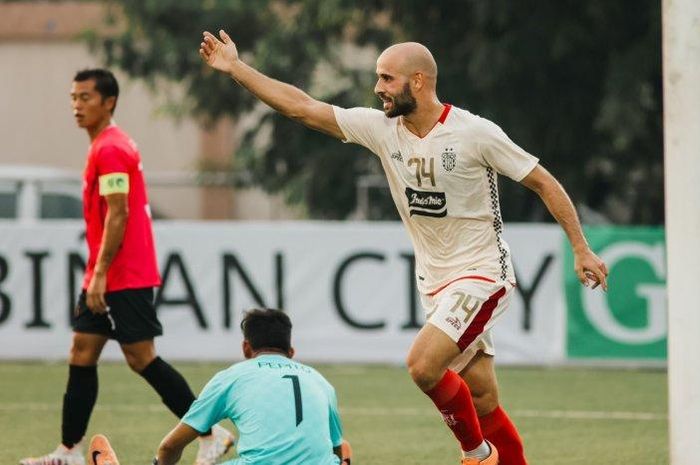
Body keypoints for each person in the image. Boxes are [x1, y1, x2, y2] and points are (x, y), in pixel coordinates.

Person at [198, 31, 610, 465]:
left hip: (483, 274)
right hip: (435, 284)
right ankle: (492, 451)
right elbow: (302, 107)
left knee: (422, 365)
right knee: (483, 400)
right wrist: (236, 68)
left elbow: (543, 181)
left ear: (418, 81)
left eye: (386, 78)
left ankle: (477, 455)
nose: (378, 88)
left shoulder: (475, 133)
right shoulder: (382, 130)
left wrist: (581, 249)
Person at [20, 69, 234, 465]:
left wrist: (100, 273)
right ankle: (68, 451)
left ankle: (211, 433)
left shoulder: (112, 148)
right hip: (105, 272)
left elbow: (118, 215)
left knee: (141, 357)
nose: (77, 106)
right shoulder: (103, 145)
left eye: (86, 98)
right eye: (73, 97)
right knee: (82, 351)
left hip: (123, 274)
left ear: (109, 102)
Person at [87, 309, 352, 465]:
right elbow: (338, 450)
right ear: (291, 351)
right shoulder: (321, 382)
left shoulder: (232, 377)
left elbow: (169, 448)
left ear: (246, 348)